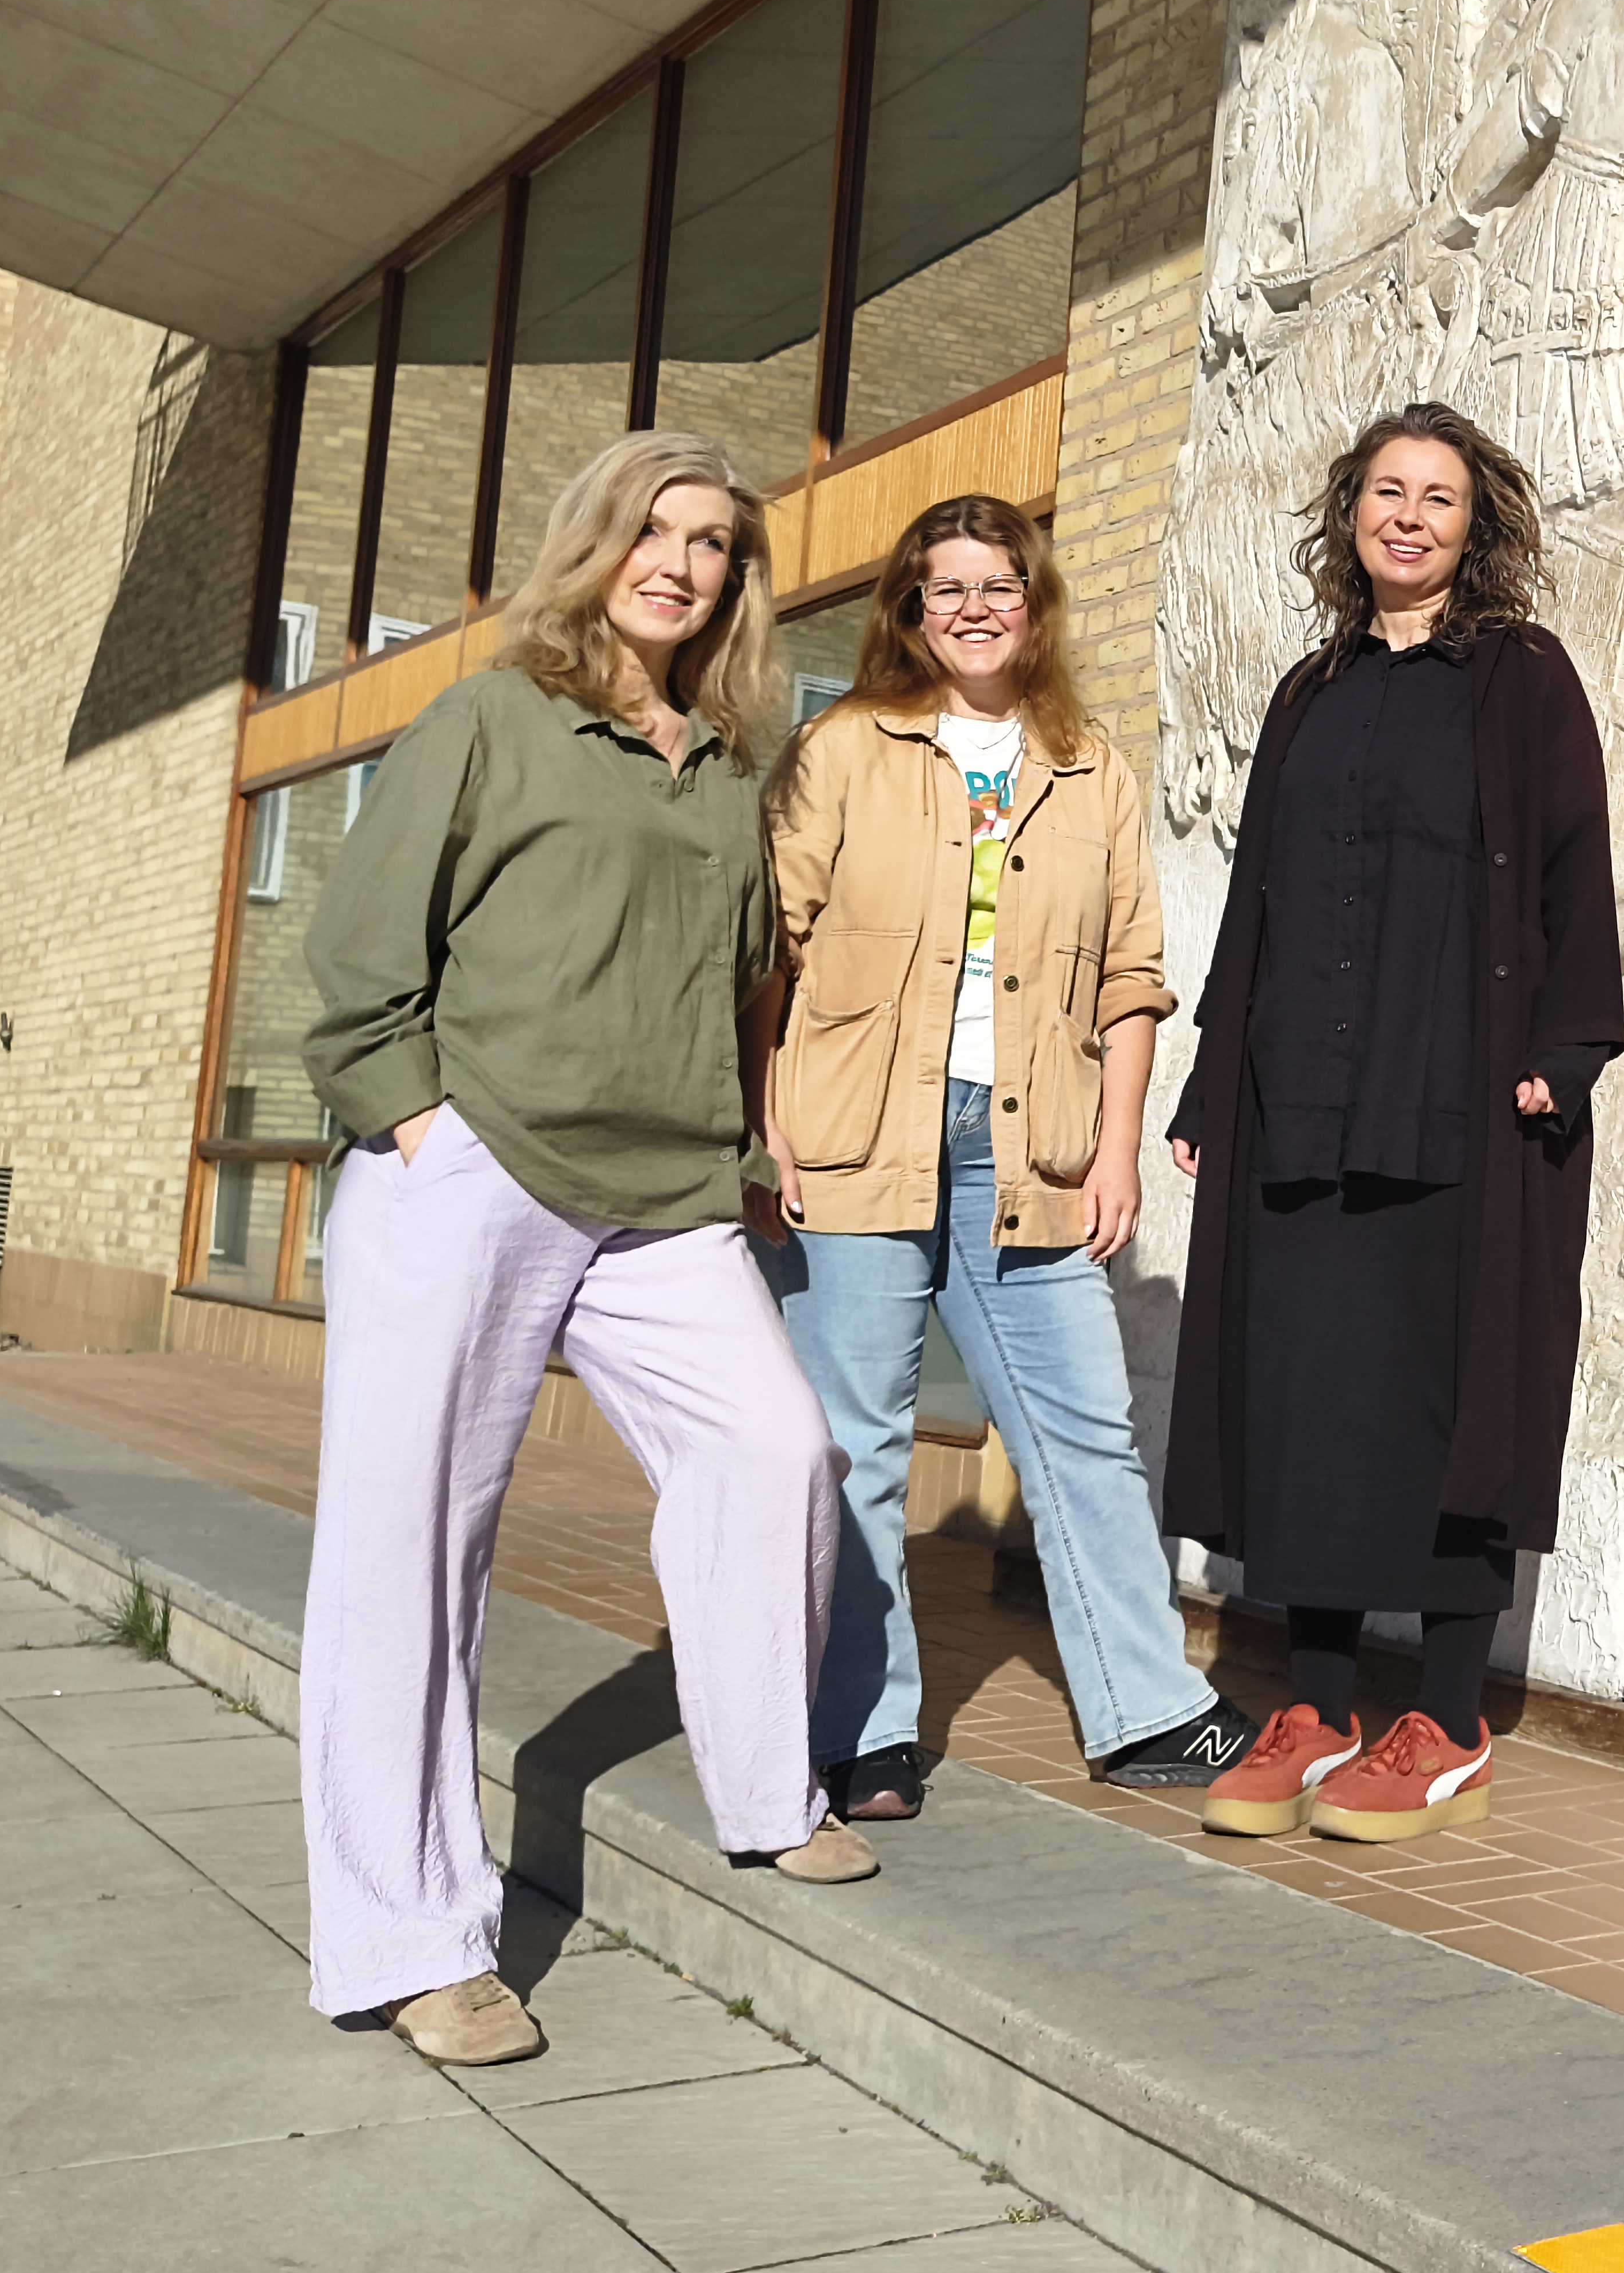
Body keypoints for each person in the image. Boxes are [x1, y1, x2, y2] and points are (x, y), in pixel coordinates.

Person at [298, 432, 863, 2072]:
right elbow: (360, 947)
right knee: (410, 1549)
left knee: (778, 1451)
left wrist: (743, 1150)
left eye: (714, 545)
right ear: (598, 543)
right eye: (655, 532)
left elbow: (740, 978)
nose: (681, 563)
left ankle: (766, 1790)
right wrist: (413, 1120)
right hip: (472, 1166)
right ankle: (411, 1941)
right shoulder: (494, 717)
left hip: (665, 1195)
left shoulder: (730, 761)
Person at [1166, 402, 1622, 1842]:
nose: (1409, 517)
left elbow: (1572, 864)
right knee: (1302, 1390)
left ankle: (1445, 1713)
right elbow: (1258, 899)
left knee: (1446, 1394)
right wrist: (1204, 1083)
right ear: (1349, 515)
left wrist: (1568, 1042)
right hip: (1297, 1089)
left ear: (1476, 526)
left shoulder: (1522, 680)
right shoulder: (1310, 692)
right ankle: (1311, 1703)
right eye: (1385, 492)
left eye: (1438, 497)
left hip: (1461, 1094)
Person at [767, 496, 1260, 1816]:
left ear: (1034, 608)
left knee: (1086, 1435)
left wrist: (1116, 1154)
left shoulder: (1088, 765)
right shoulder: (844, 749)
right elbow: (773, 945)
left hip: (1026, 1150)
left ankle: (1148, 1712)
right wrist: (772, 1109)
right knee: (856, 1448)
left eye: (1001, 585)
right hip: (860, 1136)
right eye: (948, 588)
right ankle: (862, 1731)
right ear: (909, 611)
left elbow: (1135, 980)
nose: (977, 607)